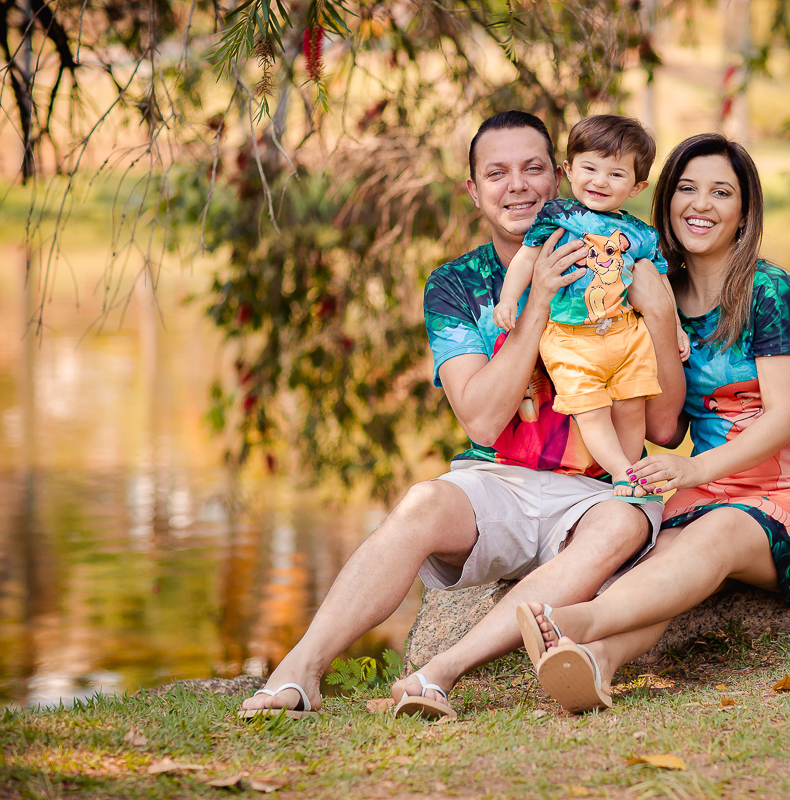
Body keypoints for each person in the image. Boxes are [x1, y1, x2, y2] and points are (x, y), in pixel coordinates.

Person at [239, 111, 685, 721]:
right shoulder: (456, 285)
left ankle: (438, 673)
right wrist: (536, 304)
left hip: (601, 488)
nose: (517, 185)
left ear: (558, 178)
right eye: (497, 173)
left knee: (621, 526)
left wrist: (660, 316)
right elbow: (481, 420)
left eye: (532, 168)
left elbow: (664, 430)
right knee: (422, 502)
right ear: (474, 190)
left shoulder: (621, 256)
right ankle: (300, 670)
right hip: (498, 480)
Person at [514, 133, 790, 713]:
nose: (701, 205)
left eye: (721, 192)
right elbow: (665, 428)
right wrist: (653, 312)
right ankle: (597, 662)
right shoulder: (651, 286)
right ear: (666, 200)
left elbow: (783, 419)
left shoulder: (772, 293)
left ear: (745, 211)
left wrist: (691, 470)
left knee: (715, 533)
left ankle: (574, 621)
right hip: (709, 488)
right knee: (659, 552)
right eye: (688, 189)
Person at [493, 115, 688, 502]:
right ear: (568, 170)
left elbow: (660, 281)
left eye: (616, 174)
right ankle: (620, 472)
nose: (600, 181)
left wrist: (676, 327)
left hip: (625, 334)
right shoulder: (558, 216)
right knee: (591, 410)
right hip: (571, 338)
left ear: (637, 186)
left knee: (631, 406)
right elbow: (527, 258)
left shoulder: (641, 233)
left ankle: (631, 476)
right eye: (589, 169)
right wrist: (509, 298)